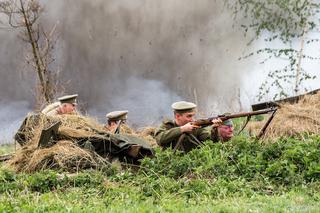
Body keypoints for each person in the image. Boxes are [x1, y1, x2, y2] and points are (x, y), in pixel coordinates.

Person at [155, 101, 233, 152]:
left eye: (193, 116)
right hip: (172, 163)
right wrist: (182, 129)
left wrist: (214, 129)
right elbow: (159, 139)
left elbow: (211, 141)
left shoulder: (196, 127)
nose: (192, 119)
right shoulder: (168, 125)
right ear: (178, 116)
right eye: (189, 116)